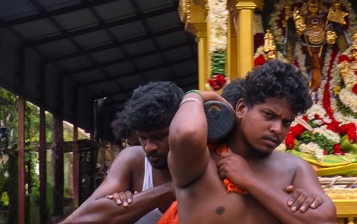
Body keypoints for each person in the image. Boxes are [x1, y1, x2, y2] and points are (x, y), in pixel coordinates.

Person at [167, 61, 333, 224]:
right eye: (269, 115)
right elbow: (186, 132)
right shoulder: (202, 163)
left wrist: (250, 180)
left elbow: (325, 221)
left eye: (286, 122)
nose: (277, 129)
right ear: (241, 109)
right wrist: (194, 95)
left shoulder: (294, 169)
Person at [65, 81, 182, 224]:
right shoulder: (133, 160)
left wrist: (130, 206)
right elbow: (84, 219)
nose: (150, 147)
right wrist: (169, 190)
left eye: (160, 136)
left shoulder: (209, 160)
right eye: (143, 138)